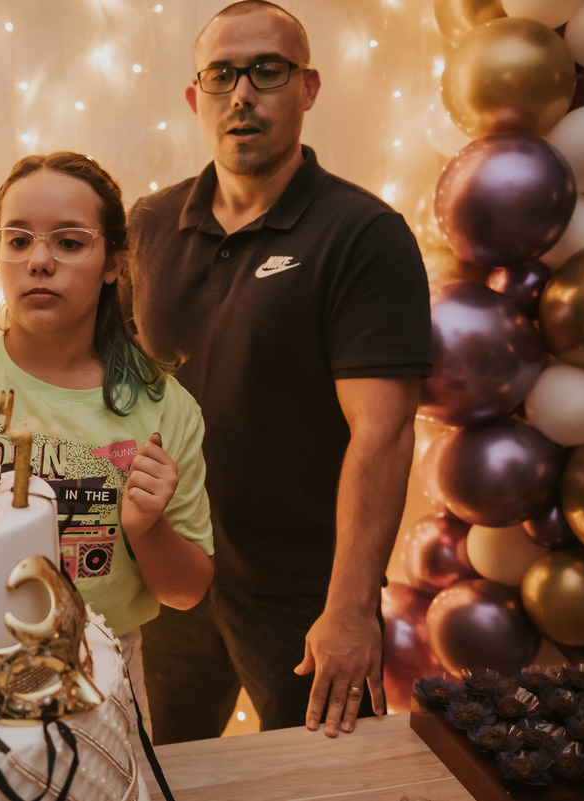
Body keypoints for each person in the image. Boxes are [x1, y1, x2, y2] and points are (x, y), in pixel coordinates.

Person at [125, 1, 432, 742]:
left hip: (306, 594)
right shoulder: (148, 225)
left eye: (267, 70)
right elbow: (111, 386)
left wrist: (351, 607)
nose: (242, 94)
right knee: (164, 771)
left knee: (328, 780)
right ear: (195, 97)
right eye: (222, 74)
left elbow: (383, 433)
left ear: (307, 87)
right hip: (173, 571)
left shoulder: (364, 235)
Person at [0, 151, 214, 711]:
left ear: (113, 263)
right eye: (18, 240)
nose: (39, 261)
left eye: (69, 241)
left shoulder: (165, 409)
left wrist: (147, 527)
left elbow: (185, 592)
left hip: (104, 670)